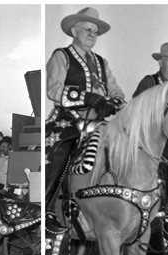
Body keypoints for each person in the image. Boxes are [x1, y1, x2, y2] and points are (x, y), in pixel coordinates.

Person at [45, 6, 125, 211]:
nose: (92, 34)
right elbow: (54, 91)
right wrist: (85, 97)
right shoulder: (61, 56)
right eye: (87, 29)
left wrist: (110, 104)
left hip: (98, 123)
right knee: (58, 151)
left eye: (95, 31)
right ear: (74, 31)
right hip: (67, 119)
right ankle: (46, 208)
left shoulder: (101, 62)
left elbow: (118, 93)